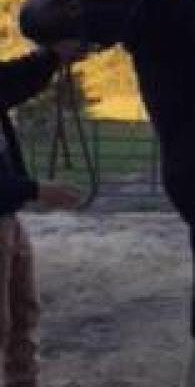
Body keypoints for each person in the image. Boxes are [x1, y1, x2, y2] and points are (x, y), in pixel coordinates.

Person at [0, 41, 87, 387]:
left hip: (8, 218)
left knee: (24, 312)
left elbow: (11, 80)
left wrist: (51, 57)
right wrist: (36, 191)